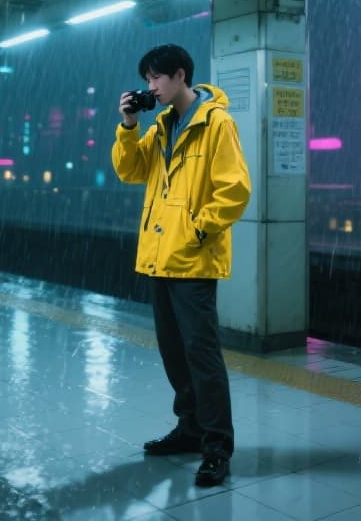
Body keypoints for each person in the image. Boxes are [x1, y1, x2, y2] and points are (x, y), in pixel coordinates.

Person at [111, 44, 251, 487]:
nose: (149, 86)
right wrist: (129, 125)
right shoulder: (160, 127)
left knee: (202, 355)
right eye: (147, 79)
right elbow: (130, 172)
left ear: (180, 75)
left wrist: (196, 231)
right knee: (175, 353)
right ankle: (190, 429)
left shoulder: (216, 123)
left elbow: (234, 189)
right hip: (159, 258)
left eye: (155, 78)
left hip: (192, 259)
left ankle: (216, 446)